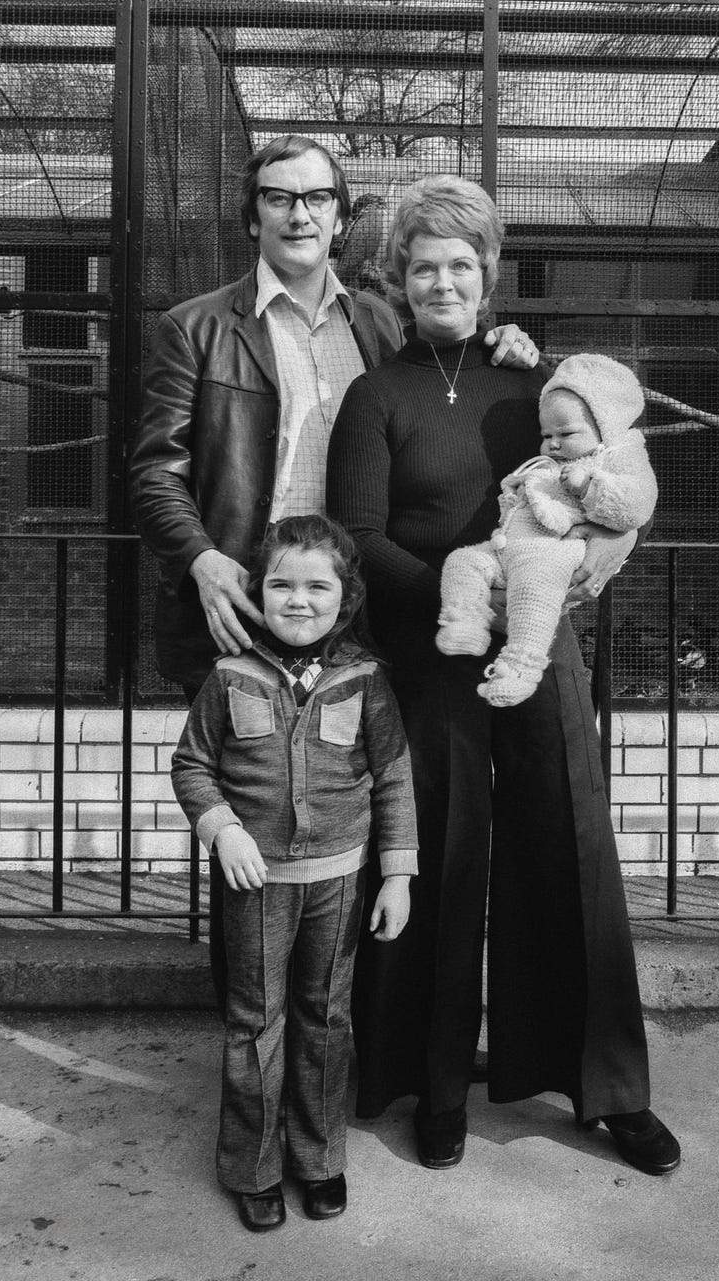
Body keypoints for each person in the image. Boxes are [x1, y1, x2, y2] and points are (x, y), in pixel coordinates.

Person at [327, 174, 681, 1178]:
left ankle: (607, 1088)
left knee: (568, 847)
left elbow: (610, 491)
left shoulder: (537, 387)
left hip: (541, 645)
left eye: (462, 265)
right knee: (437, 860)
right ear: (398, 279)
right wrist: (456, 591)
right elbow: (357, 536)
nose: (443, 279)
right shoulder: (375, 395)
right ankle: (431, 1084)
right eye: (424, 264)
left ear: (488, 278)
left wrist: (586, 574)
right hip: (433, 650)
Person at [130, 134, 537, 1000]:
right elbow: (154, 473)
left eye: (317, 198)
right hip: (254, 607)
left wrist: (509, 345)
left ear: (342, 218)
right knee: (260, 830)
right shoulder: (196, 328)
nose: (299, 212)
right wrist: (203, 563)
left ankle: (344, 1038)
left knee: (364, 819)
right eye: (279, 196)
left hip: (366, 614)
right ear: (252, 216)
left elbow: (448, 363)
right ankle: (257, 1048)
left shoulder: (380, 322)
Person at [170, 514, 417, 1233]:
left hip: (340, 880)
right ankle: (252, 1167)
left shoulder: (366, 680)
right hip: (256, 884)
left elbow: (394, 775)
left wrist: (397, 873)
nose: (298, 600)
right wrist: (223, 832)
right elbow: (192, 766)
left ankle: (319, 1158)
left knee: (326, 1018)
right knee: (255, 1021)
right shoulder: (229, 675)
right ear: (258, 590)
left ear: (346, 597)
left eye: (318, 586)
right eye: (281, 584)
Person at [436, 353, 658, 707]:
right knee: (462, 561)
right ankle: (465, 621)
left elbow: (637, 505)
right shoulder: (552, 464)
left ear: (605, 426)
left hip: (556, 550)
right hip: (509, 548)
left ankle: (521, 666)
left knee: (534, 592)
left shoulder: (612, 460)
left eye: (566, 433)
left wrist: (589, 487)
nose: (553, 443)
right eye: (546, 435)